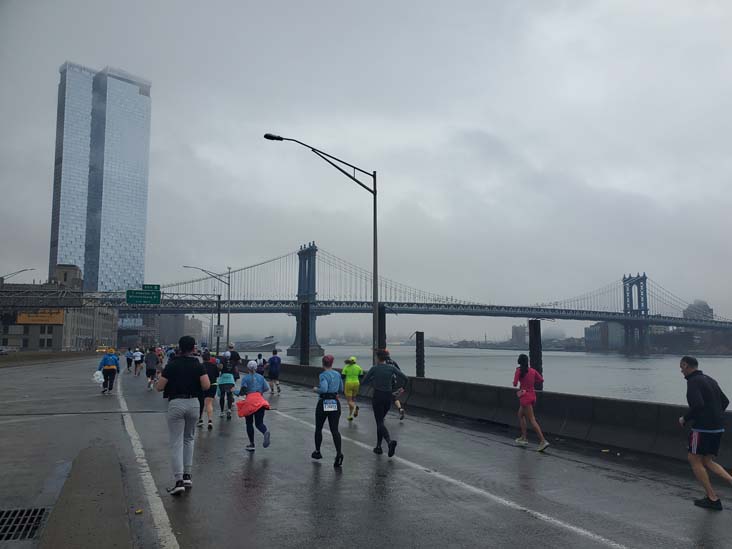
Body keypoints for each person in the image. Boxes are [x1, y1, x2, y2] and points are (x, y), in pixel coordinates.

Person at [156, 335, 210, 496]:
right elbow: (206, 385)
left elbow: (159, 387)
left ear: (179, 348)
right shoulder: (198, 365)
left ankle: (178, 480)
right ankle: (187, 476)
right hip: (194, 403)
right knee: (189, 439)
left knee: (176, 442)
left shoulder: (172, 364)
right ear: (194, 348)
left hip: (176, 403)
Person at [679, 355, 732, 510]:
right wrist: (714, 416)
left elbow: (698, 405)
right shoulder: (709, 379)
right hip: (718, 427)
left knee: (694, 459)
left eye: (682, 367)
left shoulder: (693, 382)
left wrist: (684, 418)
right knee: (707, 461)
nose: (681, 371)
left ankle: (713, 498)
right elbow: (725, 401)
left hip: (702, 429)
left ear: (687, 365)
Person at [361, 349, 408, 457]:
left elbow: (364, 382)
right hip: (388, 396)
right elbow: (405, 378)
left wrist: (373, 379)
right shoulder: (391, 368)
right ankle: (378, 447)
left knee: (379, 422)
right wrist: (402, 389)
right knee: (380, 421)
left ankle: (389, 442)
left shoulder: (374, 368)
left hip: (378, 396)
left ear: (378, 358)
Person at [312, 355, 344, 467]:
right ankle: (339, 453)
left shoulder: (323, 375)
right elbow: (341, 389)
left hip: (324, 402)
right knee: (335, 430)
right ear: (332, 363)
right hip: (335, 402)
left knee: (319, 428)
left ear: (323, 363)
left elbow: (324, 389)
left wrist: (316, 389)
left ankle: (317, 451)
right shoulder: (337, 374)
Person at [512, 354, 549, 452]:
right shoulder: (532, 371)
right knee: (520, 415)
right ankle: (523, 437)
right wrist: (532, 381)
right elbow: (541, 379)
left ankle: (543, 441)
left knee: (532, 420)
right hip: (532, 396)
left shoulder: (519, 371)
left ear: (519, 361)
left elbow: (515, 384)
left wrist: (519, 379)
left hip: (525, 397)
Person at [238, 361, 271, 452]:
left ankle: (252, 444)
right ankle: (265, 431)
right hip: (260, 401)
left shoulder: (245, 378)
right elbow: (266, 388)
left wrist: (235, 391)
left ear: (248, 368)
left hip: (250, 402)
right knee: (259, 423)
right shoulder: (261, 377)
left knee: (249, 423)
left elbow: (243, 391)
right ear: (256, 368)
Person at [198, 350, 218, 430]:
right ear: (210, 358)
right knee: (209, 403)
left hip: (202, 386)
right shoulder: (214, 366)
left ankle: (200, 419)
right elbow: (217, 375)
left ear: (202, 358)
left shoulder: (200, 366)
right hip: (213, 385)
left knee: (201, 403)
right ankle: (210, 420)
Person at [341, 356, 363, 421]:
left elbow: (342, 376)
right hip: (356, 383)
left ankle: (356, 407)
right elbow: (361, 376)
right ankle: (350, 416)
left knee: (349, 401)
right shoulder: (359, 367)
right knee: (352, 400)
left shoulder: (346, 367)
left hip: (348, 383)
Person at [385, 352, 406, 420]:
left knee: (384, 398)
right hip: (394, 382)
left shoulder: (384, 363)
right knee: (394, 398)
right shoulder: (393, 362)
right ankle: (400, 409)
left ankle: (383, 414)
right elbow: (399, 371)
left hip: (387, 382)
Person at [218, 355, 236, 420]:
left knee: (222, 395)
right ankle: (229, 409)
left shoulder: (222, 361)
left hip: (223, 379)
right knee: (229, 395)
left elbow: (219, 368)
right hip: (230, 380)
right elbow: (235, 371)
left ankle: (222, 411)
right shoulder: (233, 362)